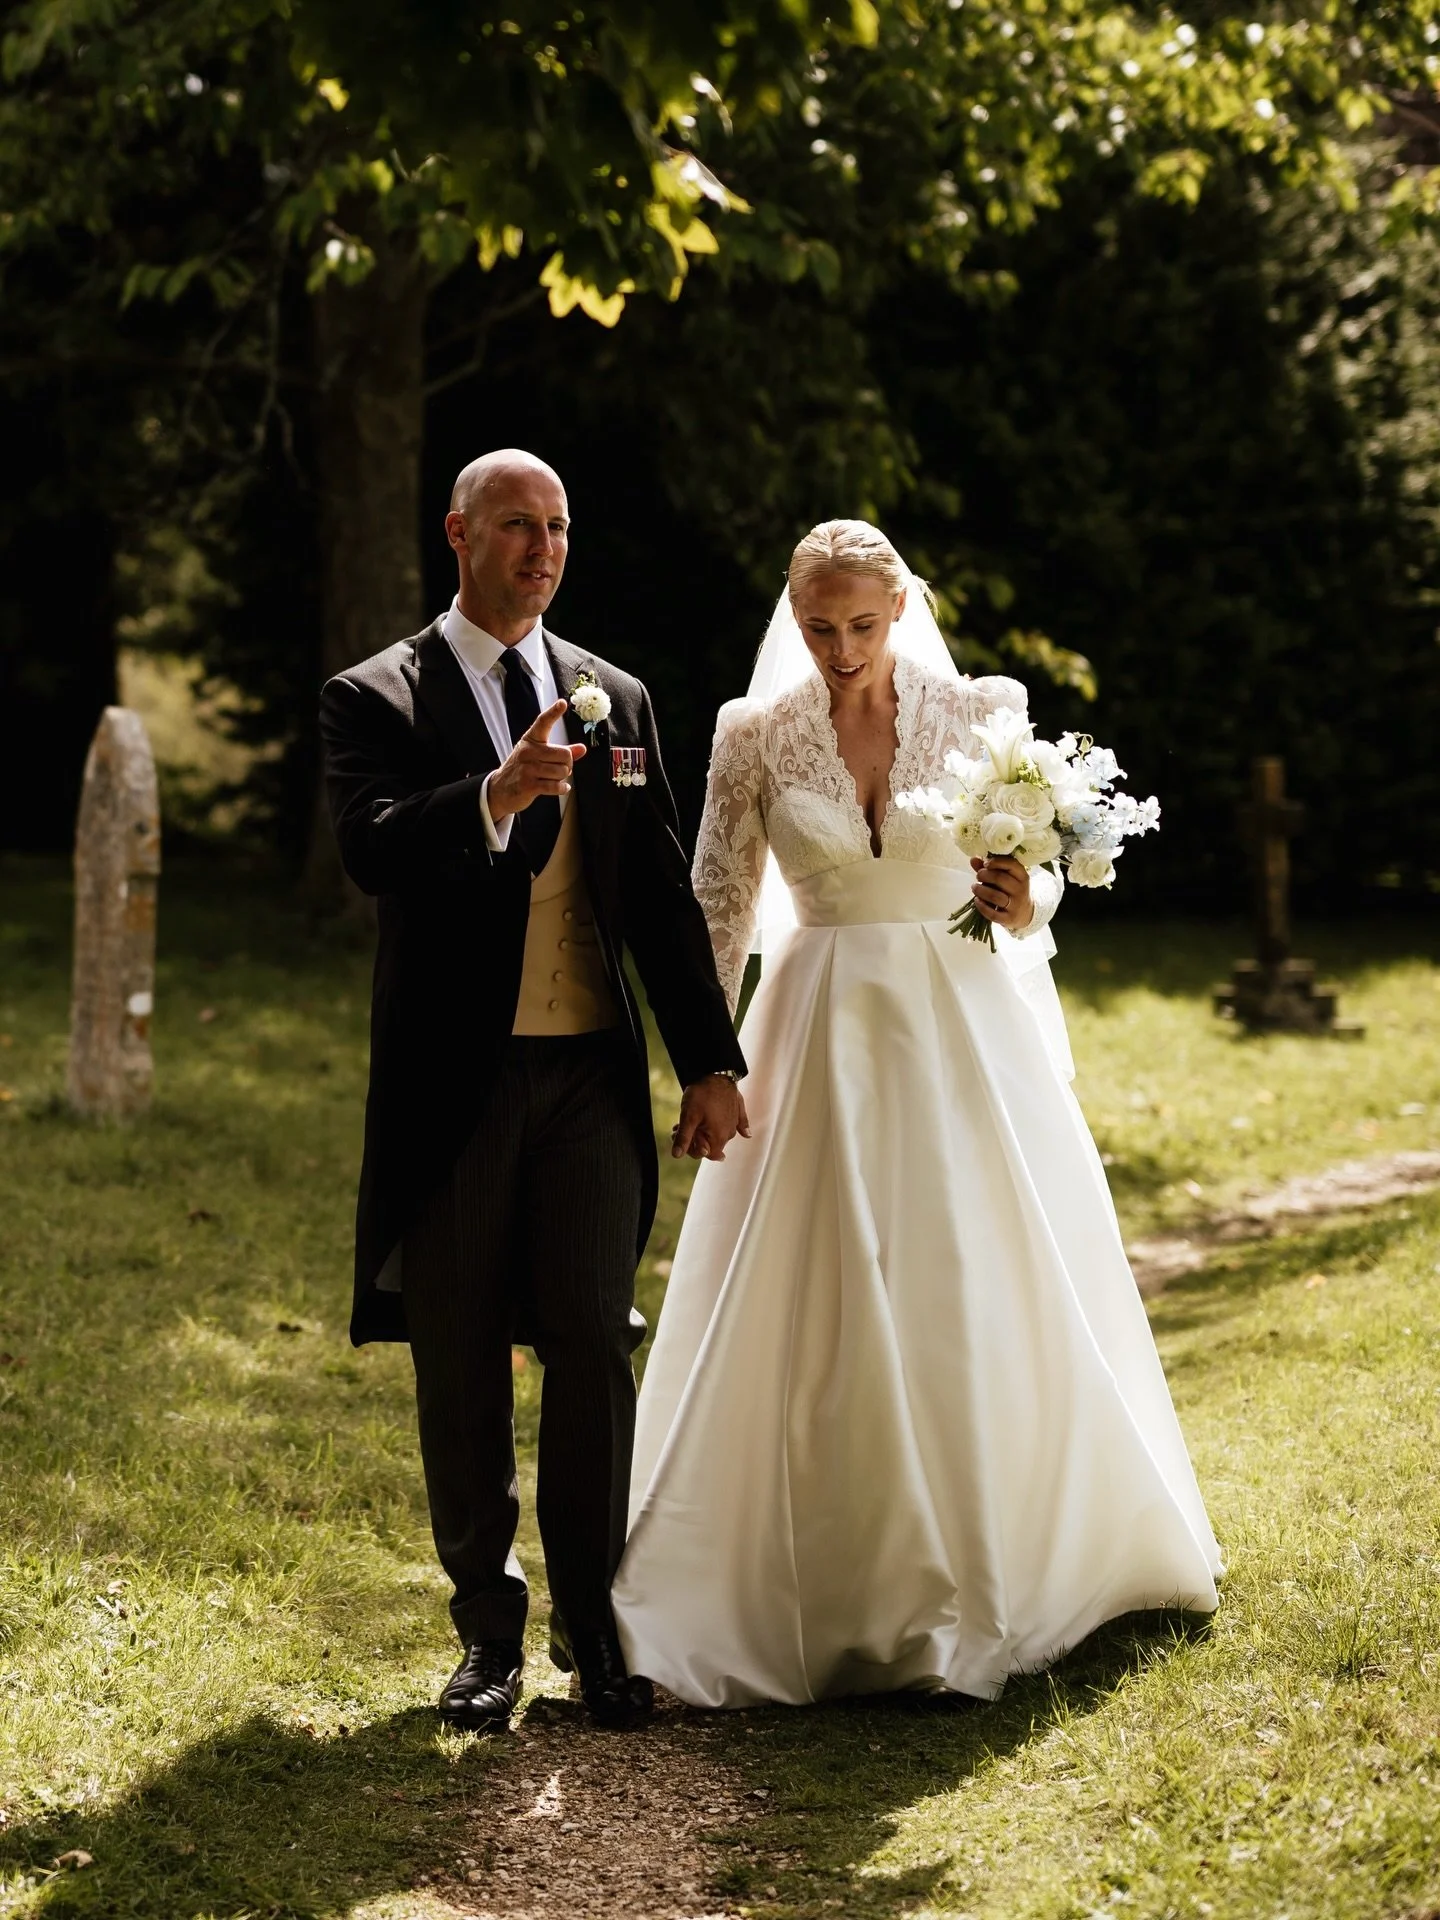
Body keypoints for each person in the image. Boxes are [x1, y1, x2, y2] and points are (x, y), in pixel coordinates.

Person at [613, 519, 1221, 1707]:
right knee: (824, 1286)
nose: (841, 650)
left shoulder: (982, 707)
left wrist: (1023, 895)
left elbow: (1034, 877)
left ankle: (1012, 1560)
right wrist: (706, 1065)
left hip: (962, 1030)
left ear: (900, 612)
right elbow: (717, 908)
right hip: (816, 1030)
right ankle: (825, 1579)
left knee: (974, 1275)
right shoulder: (753, 735)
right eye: (820, 627)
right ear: (794, 620)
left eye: (862, 625)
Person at [319, 449, 746, 1732]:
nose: (542, 547)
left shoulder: (613, 696)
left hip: (587, 1079)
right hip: (458, 1081)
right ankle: (485, 1637)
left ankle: (594, 1630)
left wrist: (711, 1058)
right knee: (458, 1358)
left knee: (590, 1346)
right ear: (459, 534)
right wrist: (491, 797)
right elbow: (367, 847)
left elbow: (663, 897)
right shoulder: (377, 694)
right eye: (517, 525)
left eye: (559, 526)